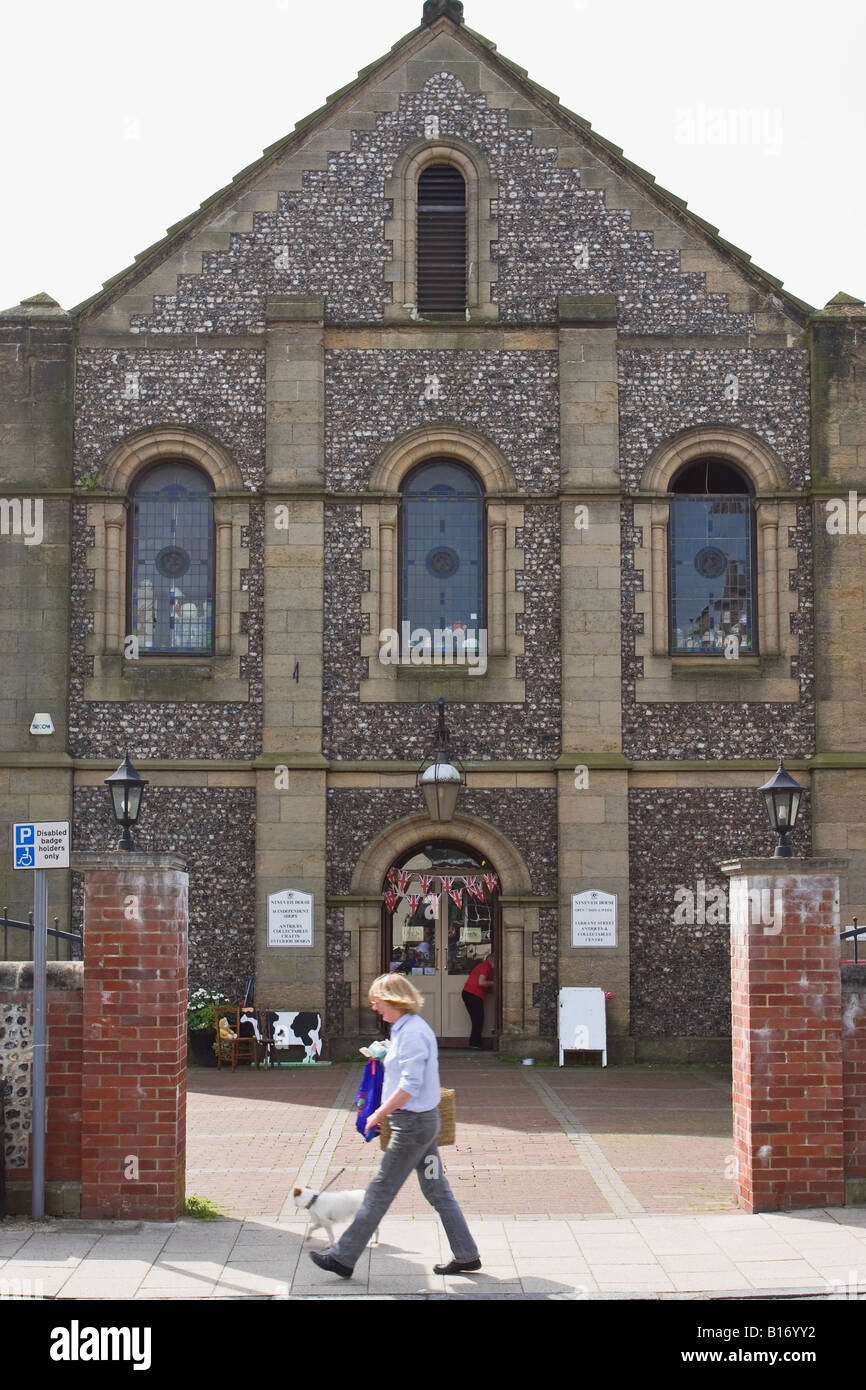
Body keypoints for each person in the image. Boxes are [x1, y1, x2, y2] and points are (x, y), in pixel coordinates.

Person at [309, 973, 481, 1279]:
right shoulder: (406, 1029)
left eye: (377, 1001)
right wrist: (386, 1054)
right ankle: (466, 1255)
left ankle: (343, 1257)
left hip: (412, 1128)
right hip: (422, 1127)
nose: (374, 1008)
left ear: (394, 1001)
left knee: (380, 1190)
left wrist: (378, 1113)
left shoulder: (412, 1033)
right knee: (437, 1190)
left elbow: (410, 1086)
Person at [462, 955, 494, 1049]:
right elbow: (481, 982)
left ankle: (476, 1042)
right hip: (472, 994)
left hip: (471, 993)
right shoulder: (486, 966)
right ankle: (475, 1043)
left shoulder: (486, 967)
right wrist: (493, 983)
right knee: (478, 1019)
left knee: (477, 1019)